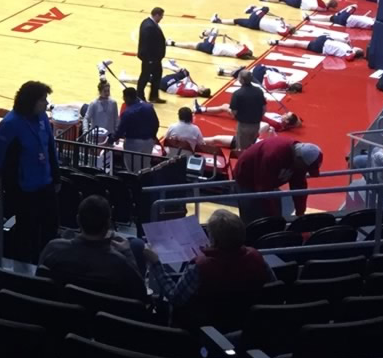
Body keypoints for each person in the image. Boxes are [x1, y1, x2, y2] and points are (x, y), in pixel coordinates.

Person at [144, 209, 273, 321]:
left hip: (204, 327)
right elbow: (272, 286)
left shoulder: (200, 267)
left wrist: (156, 264)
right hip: (244, 321)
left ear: (214, 240)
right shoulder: (257, 258)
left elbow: (175, 298)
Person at [0, 80, 60, 262]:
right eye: (43, 100)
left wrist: (56, 176)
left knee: (50, 228)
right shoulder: (10, 124)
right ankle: (26, 266)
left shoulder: (42, 117)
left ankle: (47, 262)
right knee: (28, 233)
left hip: (46, 184)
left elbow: (50, 147)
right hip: (24, 191)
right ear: (31, 101)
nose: (46, 104)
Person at [39, 195, 145, 300]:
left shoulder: (53, 249)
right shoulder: (121, 264)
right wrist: (127, 252)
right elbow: (141, 297)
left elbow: (40, 281)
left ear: (78, 220)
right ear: (108, 224)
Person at [231, 135, 321, 220]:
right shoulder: (273, 155)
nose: (306, 171)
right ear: (299, 160)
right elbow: (264, 190)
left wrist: (300, 213)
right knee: (252, 214)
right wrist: (273, 219)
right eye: (306, 168)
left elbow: (299, 186)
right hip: (247, 177)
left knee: (274, 210)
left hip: (268, 180)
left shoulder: (300, 160)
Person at [115, 86, 160, 170]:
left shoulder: (127, 112)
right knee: (145, 168)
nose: (123, 99)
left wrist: (111, 139)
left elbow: (120, 131)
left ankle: (134, 183)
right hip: (148, 142)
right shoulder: (149, 107)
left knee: (133, 169)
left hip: (133, 143)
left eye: (124, 97)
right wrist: (153, 137)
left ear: (127, 97)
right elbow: (156, 123)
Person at [228, 69, 267, 150]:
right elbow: (264, 108)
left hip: (243, 125)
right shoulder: (259, 91)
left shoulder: (237, 94)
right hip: (256, 124)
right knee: (252, 147)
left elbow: (234, 111)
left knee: (242, 149)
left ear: (241, 80)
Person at [136, 6, 166, 104]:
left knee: (157, 76)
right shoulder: (148, 26)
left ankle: (154, 96)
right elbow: (145, 44)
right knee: (144, 77)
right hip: (150, 58)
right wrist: (148, 59)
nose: (162, 18)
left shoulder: (150, 23)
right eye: (161, 16)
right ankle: (139, 96)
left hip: (155, 58)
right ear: (157, 15)